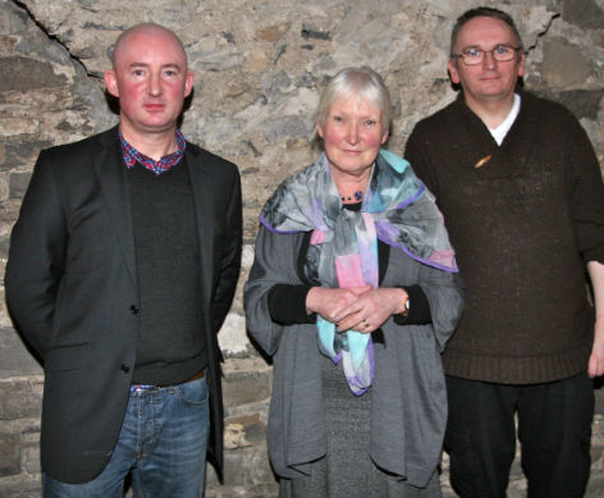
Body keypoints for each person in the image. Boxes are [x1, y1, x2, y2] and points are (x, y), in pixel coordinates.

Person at [4, 22, 242, 497]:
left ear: (187, 84)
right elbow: (28, 287)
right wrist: (80, 361)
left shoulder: (220, 178)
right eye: (139, 71)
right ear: (113, 83)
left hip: (186, 406)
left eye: (169, 72)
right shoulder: (63, 171)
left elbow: (221, 280)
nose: (155, 88)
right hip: (90, 407)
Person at [404, 7, 604, 498]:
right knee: (477, 484)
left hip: (563, 353)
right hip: (467, 358)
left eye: (502, 50)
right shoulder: (429, 140)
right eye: (474, 53)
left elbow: (600, 231)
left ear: (521, 63)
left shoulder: (560, 128)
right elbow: (414, 250)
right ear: (453, 68)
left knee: (563, 483)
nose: (489, 63)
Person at [244, 66, 464, 498]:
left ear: (384, 132)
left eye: (368, 122)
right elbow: (260, 300)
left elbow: (449, 297)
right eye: (341, 119)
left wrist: (395, 299)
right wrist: (313, 298)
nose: (352, 136)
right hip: (313, 400)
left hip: (397, 398)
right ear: (320, 125)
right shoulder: (289, 205)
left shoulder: (417, 206)